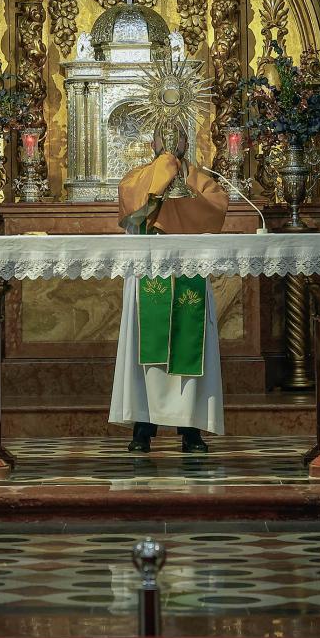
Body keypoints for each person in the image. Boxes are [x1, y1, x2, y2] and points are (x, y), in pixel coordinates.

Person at [109, 131, 228, 454]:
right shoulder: (138, 178)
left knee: (192, 349)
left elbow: (214, 211)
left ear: (187, 144)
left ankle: (190, 429)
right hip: (150, 270)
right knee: (144, 355)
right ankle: (143, 427)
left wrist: (178, 170)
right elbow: (134, 209)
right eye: (166, 139)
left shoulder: (201, 181)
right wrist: (165, 164)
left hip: (189, 271)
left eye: (178, 139)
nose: (172, 144)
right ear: (153, 145)